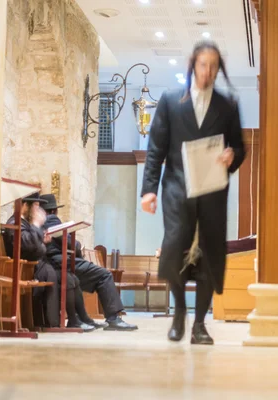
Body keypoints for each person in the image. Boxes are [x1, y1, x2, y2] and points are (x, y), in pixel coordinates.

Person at [141, 41, 246, 345]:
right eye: (203, 65)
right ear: (193, 65)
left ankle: (200, 324)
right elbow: (155, 149)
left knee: (210, 256)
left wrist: (232, 156)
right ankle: (179, 314)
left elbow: (239, 147)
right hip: (177, 187)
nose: (208, 71)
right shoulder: (171, 100)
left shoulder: (228, 105)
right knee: (174, 247)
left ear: (219, 69)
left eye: (214, 66)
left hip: (212, 190)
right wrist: (148, 190)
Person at [40, 193, 138, 331]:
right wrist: (78, 246)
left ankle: (84, 318)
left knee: (77, 281)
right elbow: (69, 242)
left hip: (56, 263)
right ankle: (113, 318)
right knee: (104, 275)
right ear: (52, 210)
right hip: (62, 262)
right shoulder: (51, 219)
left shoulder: (41, 222)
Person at [2, 193, 96, 332]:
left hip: (36, 266)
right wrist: (36, 226)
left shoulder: (25, 223)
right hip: (26, 268)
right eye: (35, 206)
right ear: (24, 206)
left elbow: (37, 247)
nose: (37, 210)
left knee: (72, 278)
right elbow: (27, 244)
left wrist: (41, 241)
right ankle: (58, 322)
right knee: (67, 279)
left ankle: (78, 319)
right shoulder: (15, 223)